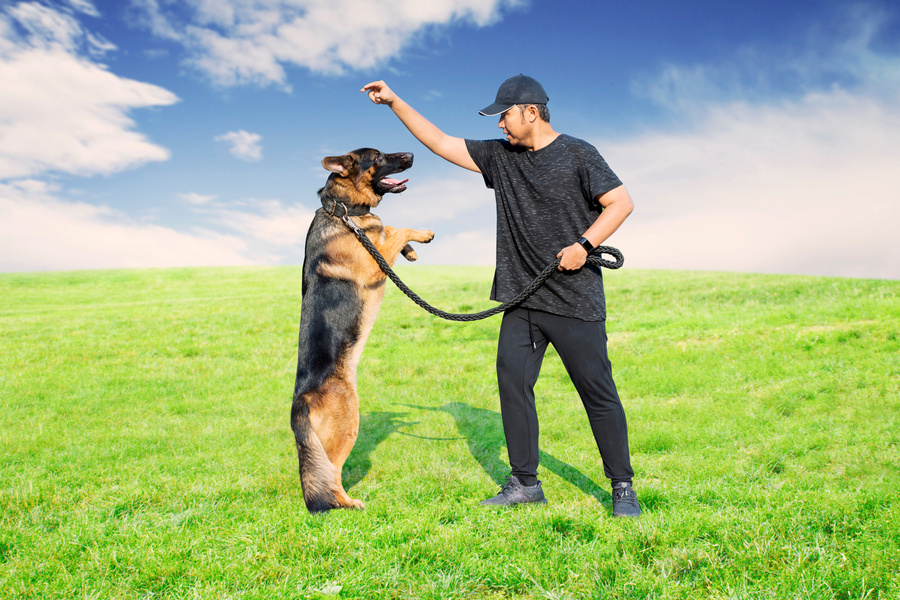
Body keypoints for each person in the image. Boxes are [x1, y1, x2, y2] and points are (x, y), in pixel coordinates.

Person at [362, 74, 640, 517]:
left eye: (504, 115)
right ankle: (525, 484)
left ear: (531, 111)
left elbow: (621, 202)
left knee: (597, 392)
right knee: (513, 386)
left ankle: (622, 486)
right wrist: (395, 101)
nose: (499, 124)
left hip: (575, 299)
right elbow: (440, 141)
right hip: (521, 300)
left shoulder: (579, 153)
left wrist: (583, 245)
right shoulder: (501, 157)